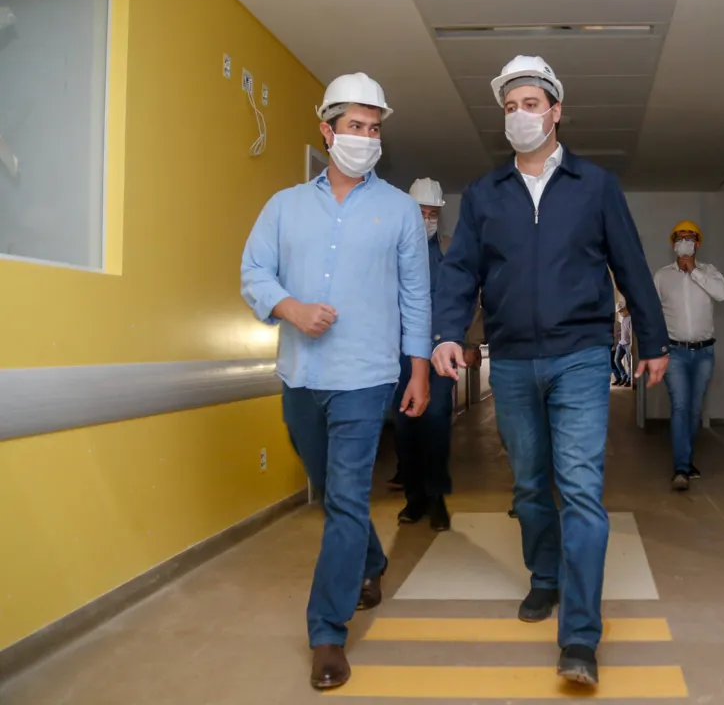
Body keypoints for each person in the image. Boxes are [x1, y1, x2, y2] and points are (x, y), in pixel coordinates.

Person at [430, 55, 669, 686]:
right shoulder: (485, 195)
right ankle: (544, 575)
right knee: (531, 486)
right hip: (510, 360)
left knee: (581, 489)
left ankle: (581, 636)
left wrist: (654, 340)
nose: (520, 116)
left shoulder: (595, 186)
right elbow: (460, 272)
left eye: (531, 104)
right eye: (510, 107)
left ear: (556, 111)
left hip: (581, 356)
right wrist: (447, 333)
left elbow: (631, 263)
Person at [240, 72, 431, 691]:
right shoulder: (285, 206)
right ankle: (370, 558)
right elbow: (253, 271)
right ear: (327, 131)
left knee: (346, 497)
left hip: (365, 377)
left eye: (374, 129)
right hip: (301, 375)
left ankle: (327, 633)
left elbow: (415, 296)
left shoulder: (399, 210)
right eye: (355, 126)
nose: (365, 138)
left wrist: (419, 370)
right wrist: (289, 308)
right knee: (330, 490)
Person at [391, 178, 455, 531]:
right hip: (400, 352)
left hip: (438, 352)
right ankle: (414, 498)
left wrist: (466, 342)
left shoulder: (449, 249)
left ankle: (436, 498)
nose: (427, 220)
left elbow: (466, 296)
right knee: (406, 424)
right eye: (421, 213)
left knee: (437, 421)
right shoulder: (392, 248)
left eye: (433, 214)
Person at [653, 220, 724, 491]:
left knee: (695, 410)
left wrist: (694, 271)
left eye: (690, 238)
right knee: (680, 406)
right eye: (680, 237)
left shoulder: (709, 272)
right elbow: (651, 307)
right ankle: (681, 468)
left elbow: (722, 294)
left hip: (704, 353)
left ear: (697, 243)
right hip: (674, 352)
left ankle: (686, 459)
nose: (684, 242)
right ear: (673, 243)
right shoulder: (662, 276)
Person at [612, 301, 632, 387]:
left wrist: (631, 345)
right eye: (619, 312)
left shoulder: (631, 319)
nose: (620, 313)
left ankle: (629, 380)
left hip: (628, 344)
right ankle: (624, 376)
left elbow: (631, 333)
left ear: (625, 309)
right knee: (616, 360)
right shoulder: (624, 318)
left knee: (629, 363)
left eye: (621, 311)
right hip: (621, 343)